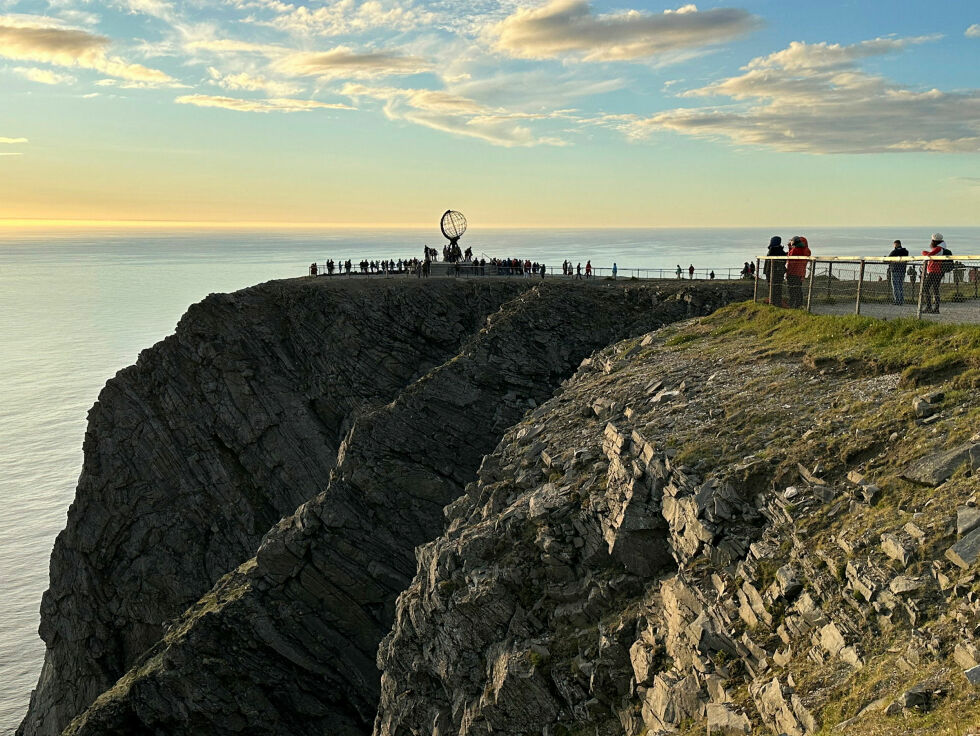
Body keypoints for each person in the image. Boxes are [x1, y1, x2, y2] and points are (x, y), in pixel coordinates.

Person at [921, 233, 945, 313]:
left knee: (926, 288)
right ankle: (935, 308)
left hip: (934, 271)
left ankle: (929, 306)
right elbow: (929, 254)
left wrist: (924, 253)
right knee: (935, 289)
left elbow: (929, 254)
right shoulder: (940, 248)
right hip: (936, 271)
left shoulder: (938, 248)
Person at [785, 236, 811, 308]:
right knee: (798, 289)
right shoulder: (806, 251)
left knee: (792, 289)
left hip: (793, 272)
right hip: (801, 272)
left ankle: (792, 304)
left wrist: (790, 248)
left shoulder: (795, 250)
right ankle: (799, 304)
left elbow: (790, 259)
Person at [763, 236, 787, 307]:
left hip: (771, 272)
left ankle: (773, 301)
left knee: (772, 287)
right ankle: (775, 301)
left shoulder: (771, 250)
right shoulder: (779, 251)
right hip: (777, 272)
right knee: (777, 287)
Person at [887, 239, 909, 305]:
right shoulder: (905, 252)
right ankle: (901, 300)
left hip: (895, 269)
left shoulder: (894, 252)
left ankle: (897, 300)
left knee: (895, 286)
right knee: (900, 286)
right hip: (902, 270)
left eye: (895, 244)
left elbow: (888, 258)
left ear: (896, 244)